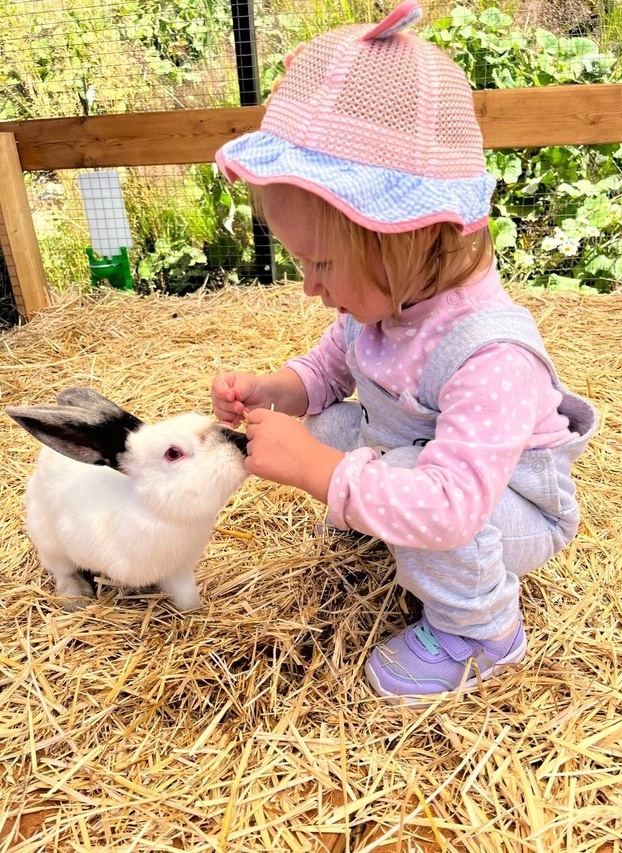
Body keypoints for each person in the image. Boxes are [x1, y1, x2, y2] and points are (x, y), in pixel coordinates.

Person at [211, 0, 598, 707]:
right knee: (324, 428)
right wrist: (276, 391)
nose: (309, 287)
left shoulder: (490, 353)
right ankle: (387, 520)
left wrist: (323, 472)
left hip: (504, 508)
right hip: (416, 455)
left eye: (321, 262)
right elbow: (330, 371)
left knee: (392, 485)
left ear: (404, 235)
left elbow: (450, 507)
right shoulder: (384, 303)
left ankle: (481, 630)